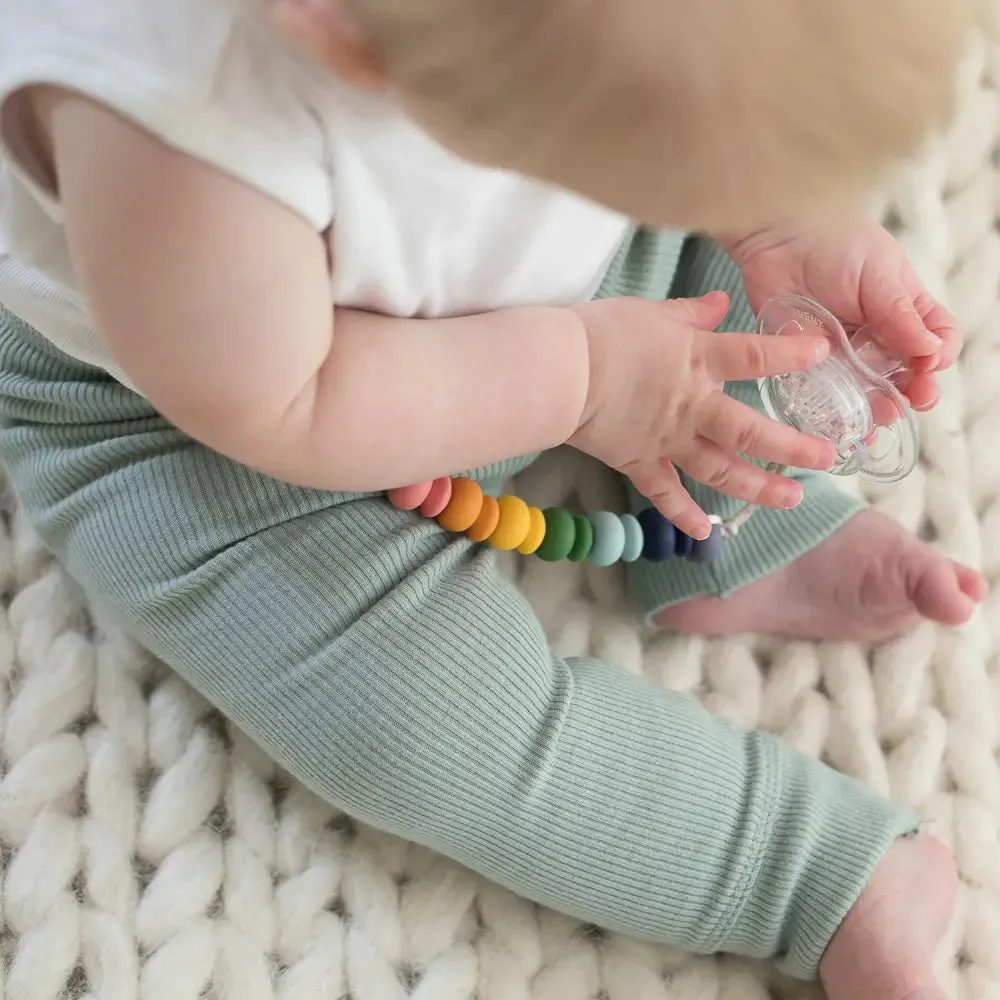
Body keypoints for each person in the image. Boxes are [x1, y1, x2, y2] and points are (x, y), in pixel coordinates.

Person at [0, 0, 982, 996]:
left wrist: (777, 214)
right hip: (224, 417)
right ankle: (805, 872)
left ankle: (725, 528)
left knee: (720, 220)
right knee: (416, 722)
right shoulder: (173, 127)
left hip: (536, 223)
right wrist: (584, 380)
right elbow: (294, 400)